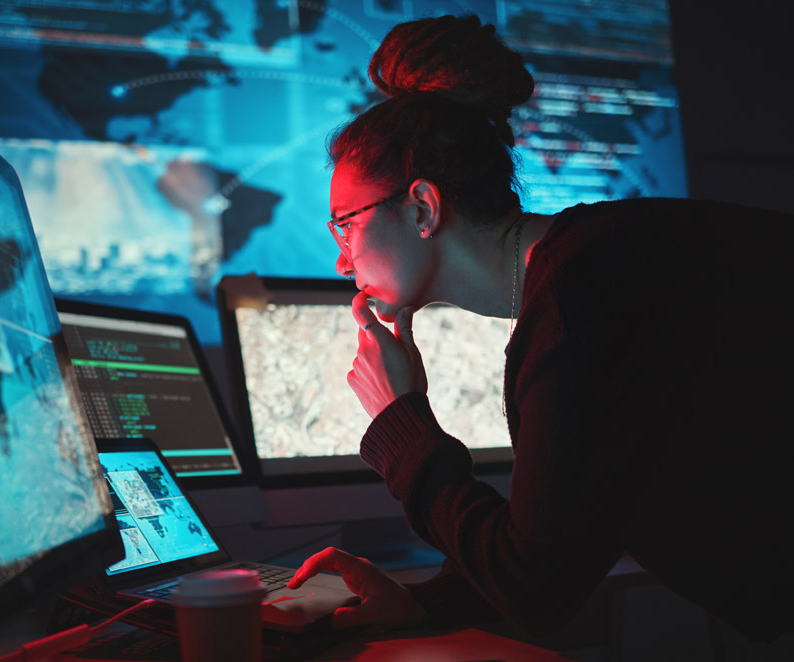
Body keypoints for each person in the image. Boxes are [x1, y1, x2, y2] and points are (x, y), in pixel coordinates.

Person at [286, 13, 794, 644]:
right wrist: (429, 603)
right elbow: (571, 522)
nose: (341, 261)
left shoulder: (582, 306)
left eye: (347, 224)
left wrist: (399, 420)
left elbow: (536, 584)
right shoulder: (602, 257)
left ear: (423, 207)